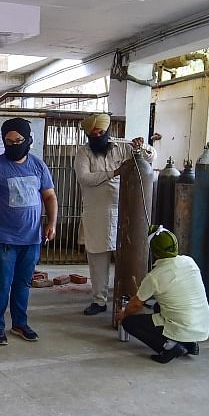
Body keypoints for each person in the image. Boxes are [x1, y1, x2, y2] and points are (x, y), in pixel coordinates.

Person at [0, 117, 58, 346]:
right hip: (4, 238)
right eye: (8, 141)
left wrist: (51, 223)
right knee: (2, 282)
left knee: (23, 283)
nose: (13, 145)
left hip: (32, 238)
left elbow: (49, 196)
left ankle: (20, 322)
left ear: (28, 140)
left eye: (18, 140)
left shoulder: (38, 166)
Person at [75, 113, 153, 315]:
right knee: (98, 258)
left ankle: (131, 299)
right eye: (94, 134)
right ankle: (99, 301)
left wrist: (142, 147)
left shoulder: (124, 146)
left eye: (101, 132)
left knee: (129, 256)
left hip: (124, 213)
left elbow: (152, 157)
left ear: (108, 131)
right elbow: (85, 178)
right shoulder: (83, 153)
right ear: (88, 135)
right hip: (97, 214)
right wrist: (114, 173)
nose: (98, 136)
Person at [114, 226, 209, 363]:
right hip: (202, 323)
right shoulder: (189, 261)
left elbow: (135, 304)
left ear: (155, 252)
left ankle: (169, 347)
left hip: (182, 324)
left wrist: (124, 314)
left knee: (130, 323)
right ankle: (190, 343)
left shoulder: (154, 277)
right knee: (160, 305)